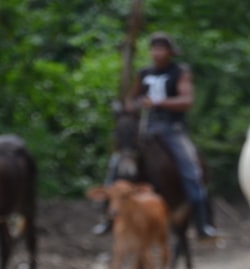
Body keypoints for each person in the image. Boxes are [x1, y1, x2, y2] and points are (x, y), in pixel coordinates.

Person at [93, 32, 216, 238]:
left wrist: (159, 103)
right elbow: (131, 100)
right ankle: (107, 215)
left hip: (172, 129)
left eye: (161, 48)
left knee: (191, 168)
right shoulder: (143, 73)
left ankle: (202, 221)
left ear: (170, 51)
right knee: (117, 162)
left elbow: (186, 100)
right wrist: (129, 107)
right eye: (154, 48)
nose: (157, 53)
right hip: (145, 128)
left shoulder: (179, 71)